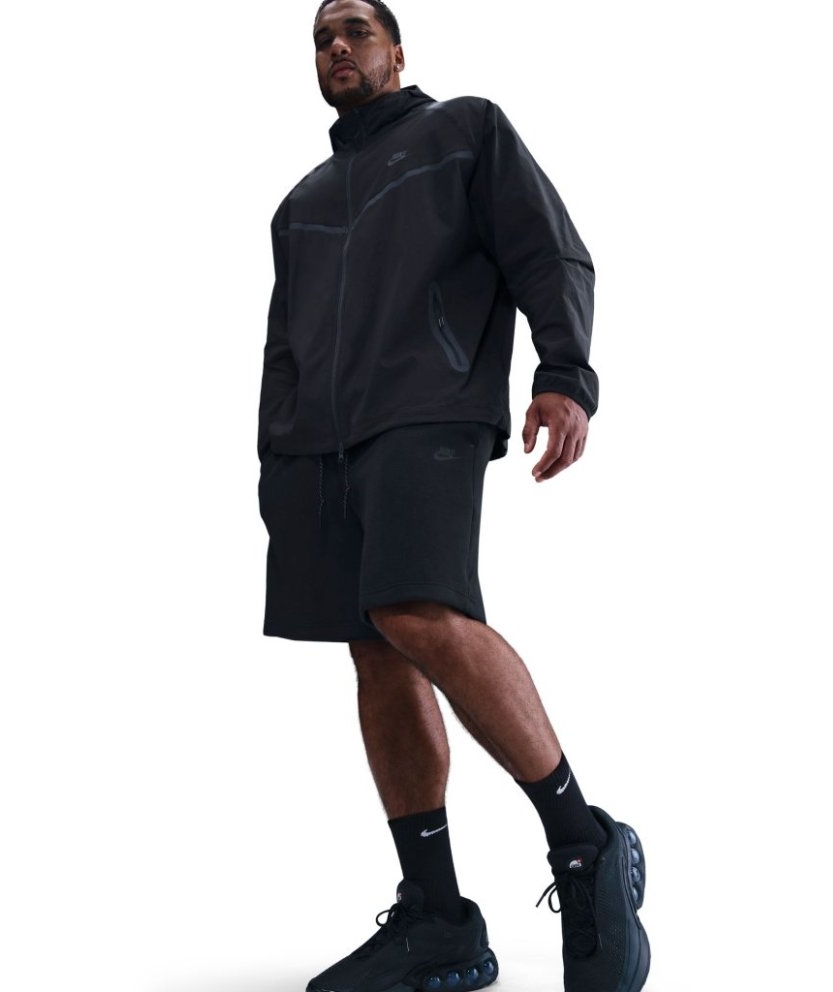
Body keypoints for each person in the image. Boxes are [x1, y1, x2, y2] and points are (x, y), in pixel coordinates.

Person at [257, 2, 650, 990]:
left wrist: (564, 372)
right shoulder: (299, 204)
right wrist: (276, 462)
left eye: (355, 29)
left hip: (426, 405)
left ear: (397, 50)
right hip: (317, 450)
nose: (336, 47)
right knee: (374, 646)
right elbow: (283, 346)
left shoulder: (463, 129)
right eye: (321, 38)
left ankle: (582, 839)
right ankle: (436, 915)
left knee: (414, 609)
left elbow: (547, 248)